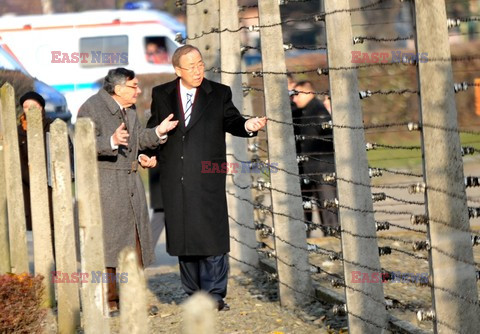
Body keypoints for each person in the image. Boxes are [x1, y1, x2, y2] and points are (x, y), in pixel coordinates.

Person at [146, 44, 267, 311]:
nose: (198, 70)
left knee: (212, 235)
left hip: (207, 176)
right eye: (191, 67)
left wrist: (248, 125)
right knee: (184, 238)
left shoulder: (218, 93)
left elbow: (233, 121)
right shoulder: (161, 93)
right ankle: (193, 294)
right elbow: (152, 130)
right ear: (178, 70)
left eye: (200, 64)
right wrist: (148, 153)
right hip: (174, 176)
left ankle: (214, 295)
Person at [77, 67, 178, 317]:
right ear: (119, 88)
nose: (139, 91)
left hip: (132, 185)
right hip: (107, 186)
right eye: (134, 86)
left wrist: (158, 132)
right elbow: (80, 143)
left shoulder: (129, 109)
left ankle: (132, 298)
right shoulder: (90, 108)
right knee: (111, 245)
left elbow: (137, 139)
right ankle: (110, 301)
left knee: (136, 244)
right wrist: (110, 142)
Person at [292, 81, 338, 233]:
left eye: (297, 95)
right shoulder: (302, 112)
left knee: (328, 209)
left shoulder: (319, 111)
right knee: (304, 210)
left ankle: (333, 240)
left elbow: (329, 140)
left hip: (322, 169)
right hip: (307, 170)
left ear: (309, 92)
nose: (294, 99)